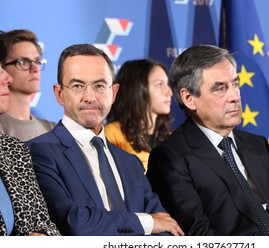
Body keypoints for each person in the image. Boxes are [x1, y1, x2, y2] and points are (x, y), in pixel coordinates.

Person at [146, 44, 269, 236]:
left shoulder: (258, 146)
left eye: (235, 84)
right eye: (220, 89)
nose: (234, 96)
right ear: (189, 98)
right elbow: (198, 236)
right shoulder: (171, 158)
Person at [26, 43, 184, 236]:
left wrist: (152, 224)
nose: (90, 97)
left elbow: (167, 229)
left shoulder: (130, 164)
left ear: (114, 93)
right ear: (59, 94)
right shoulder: (36, 152)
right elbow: (73, 223)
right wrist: (147, 222)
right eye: (78, 86)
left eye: (100, 86)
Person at [0, 28, 60, 236]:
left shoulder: (13, 149)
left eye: (37, 61)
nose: (7, 78)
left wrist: (43, 237)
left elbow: (46, 224)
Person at [0, 29, 55, 141]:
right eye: (24, 62)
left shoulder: (52, 129)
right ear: (2, 68)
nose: (35, 69)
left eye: (37, 61)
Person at [105, 59, 173, 171]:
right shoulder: (113, 134)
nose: (169, 92)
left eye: (167, 84)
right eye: (159, 85)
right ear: (138, 89)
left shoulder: (171, 138)